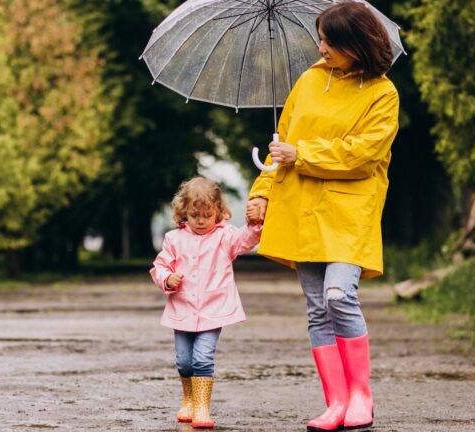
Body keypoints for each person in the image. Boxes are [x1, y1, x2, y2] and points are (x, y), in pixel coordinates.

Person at [245, 2, 399, 431]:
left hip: (350, 211)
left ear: (357, 44)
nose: (321, 48)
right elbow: (282, 144)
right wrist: (262, 194)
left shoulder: (383, 93)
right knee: (317, 309)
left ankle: (361, 395)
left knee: (338, 296)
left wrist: (302, 154)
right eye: (321, 39)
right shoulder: (309, 80)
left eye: (330, 41)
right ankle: (336, 402)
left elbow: (364, 154)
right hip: (299, 206)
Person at [150, 176, 262, 429]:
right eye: (194, 215)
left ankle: (202, 406)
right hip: (182, 309)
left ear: (218, 212)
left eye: (207, 215)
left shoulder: (225, 236)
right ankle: (188, 399)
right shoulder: (174, 239)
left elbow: (245, 240)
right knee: (183, 360)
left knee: (202, 358)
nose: (201, 221)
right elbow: (160, 266)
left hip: (214, 309)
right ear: (183, 213)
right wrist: (167, 278)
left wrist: (254, 224)